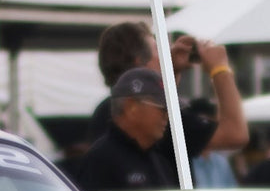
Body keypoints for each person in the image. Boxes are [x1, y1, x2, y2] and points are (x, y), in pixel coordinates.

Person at [87, 22, 248, 171]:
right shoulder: (160, 117)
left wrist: (172, 72)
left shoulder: (105, 111)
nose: (165, 55)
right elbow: (235, 134)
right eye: (158, 50)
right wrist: (220, 69)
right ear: (140, 64)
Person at [75, 67, 175, 191]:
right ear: (131, 108)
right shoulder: (100, 161)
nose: (167, 116)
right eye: (163, 109)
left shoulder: (160, 162)